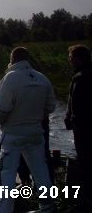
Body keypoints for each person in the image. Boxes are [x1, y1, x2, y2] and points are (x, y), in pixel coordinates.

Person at [0, 47, 56, 213]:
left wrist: (4, 123)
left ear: (12, 59)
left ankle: (5, 210)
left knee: (7, 176)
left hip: (13, 134)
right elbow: (51, 106)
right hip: (35, 133)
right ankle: (48, 207)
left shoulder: (10, 79)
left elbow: (0, 108)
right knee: (41, 172)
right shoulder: (42, 79)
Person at [64, 44, 92, 209]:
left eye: (70, 58)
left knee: (86, 161)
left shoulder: (80, 77)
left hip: (84, 128)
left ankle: (85, 198)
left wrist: (72, 120)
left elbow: (77, 104)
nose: (69, 61)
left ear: (77, 59)